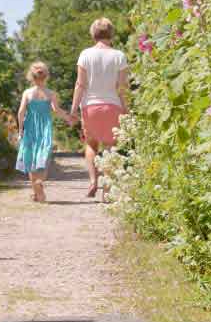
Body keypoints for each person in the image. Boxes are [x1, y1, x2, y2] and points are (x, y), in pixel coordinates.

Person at [70, 18, 130, 198]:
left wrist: (73, 109)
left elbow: (80, 84)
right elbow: (123, 87)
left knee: (91, 144)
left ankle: (93, 180)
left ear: (93, 34)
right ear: (111, 33)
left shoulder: (85, 55)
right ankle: (108, 188)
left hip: (90, 107)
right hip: (113, 105)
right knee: (112, 147)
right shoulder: (119, 56)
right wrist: (126, 108)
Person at [16, 62, 74, 202]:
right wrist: (68, 118)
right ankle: (40, 182)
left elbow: (21, 112)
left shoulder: (27, 93)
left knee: (30, 157)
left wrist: (20, 131)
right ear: (46, 76)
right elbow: (56, 110)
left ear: (31, 76)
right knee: (43, 156)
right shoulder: (51, 93)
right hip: (45, 128)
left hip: (30, 128)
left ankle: (37, 192)